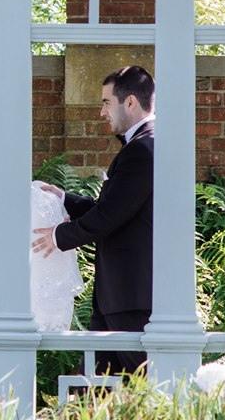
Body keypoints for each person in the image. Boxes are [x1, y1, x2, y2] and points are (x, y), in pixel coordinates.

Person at [31, 65, 154, 376]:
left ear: (130, 102)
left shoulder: (144, 148)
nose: (102, 112)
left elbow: (110, 216)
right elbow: (113, 207)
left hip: (131, 296)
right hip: (117, 295)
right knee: (101, 388)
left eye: (105, 102)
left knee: (138, 386)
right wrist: (64, 198)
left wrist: (59, 237)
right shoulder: (142, 145)